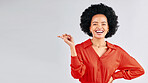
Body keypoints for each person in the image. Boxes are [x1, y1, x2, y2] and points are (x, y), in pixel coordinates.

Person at [57, 3, 145, 83]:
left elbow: (139, 70)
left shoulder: (117, 52)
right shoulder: (79, 49)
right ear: (90, 28)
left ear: (108, 28)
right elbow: (76, 75)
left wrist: (114, 76)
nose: (99, 27)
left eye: (103, 24)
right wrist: (72, 47)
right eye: (95, 24)